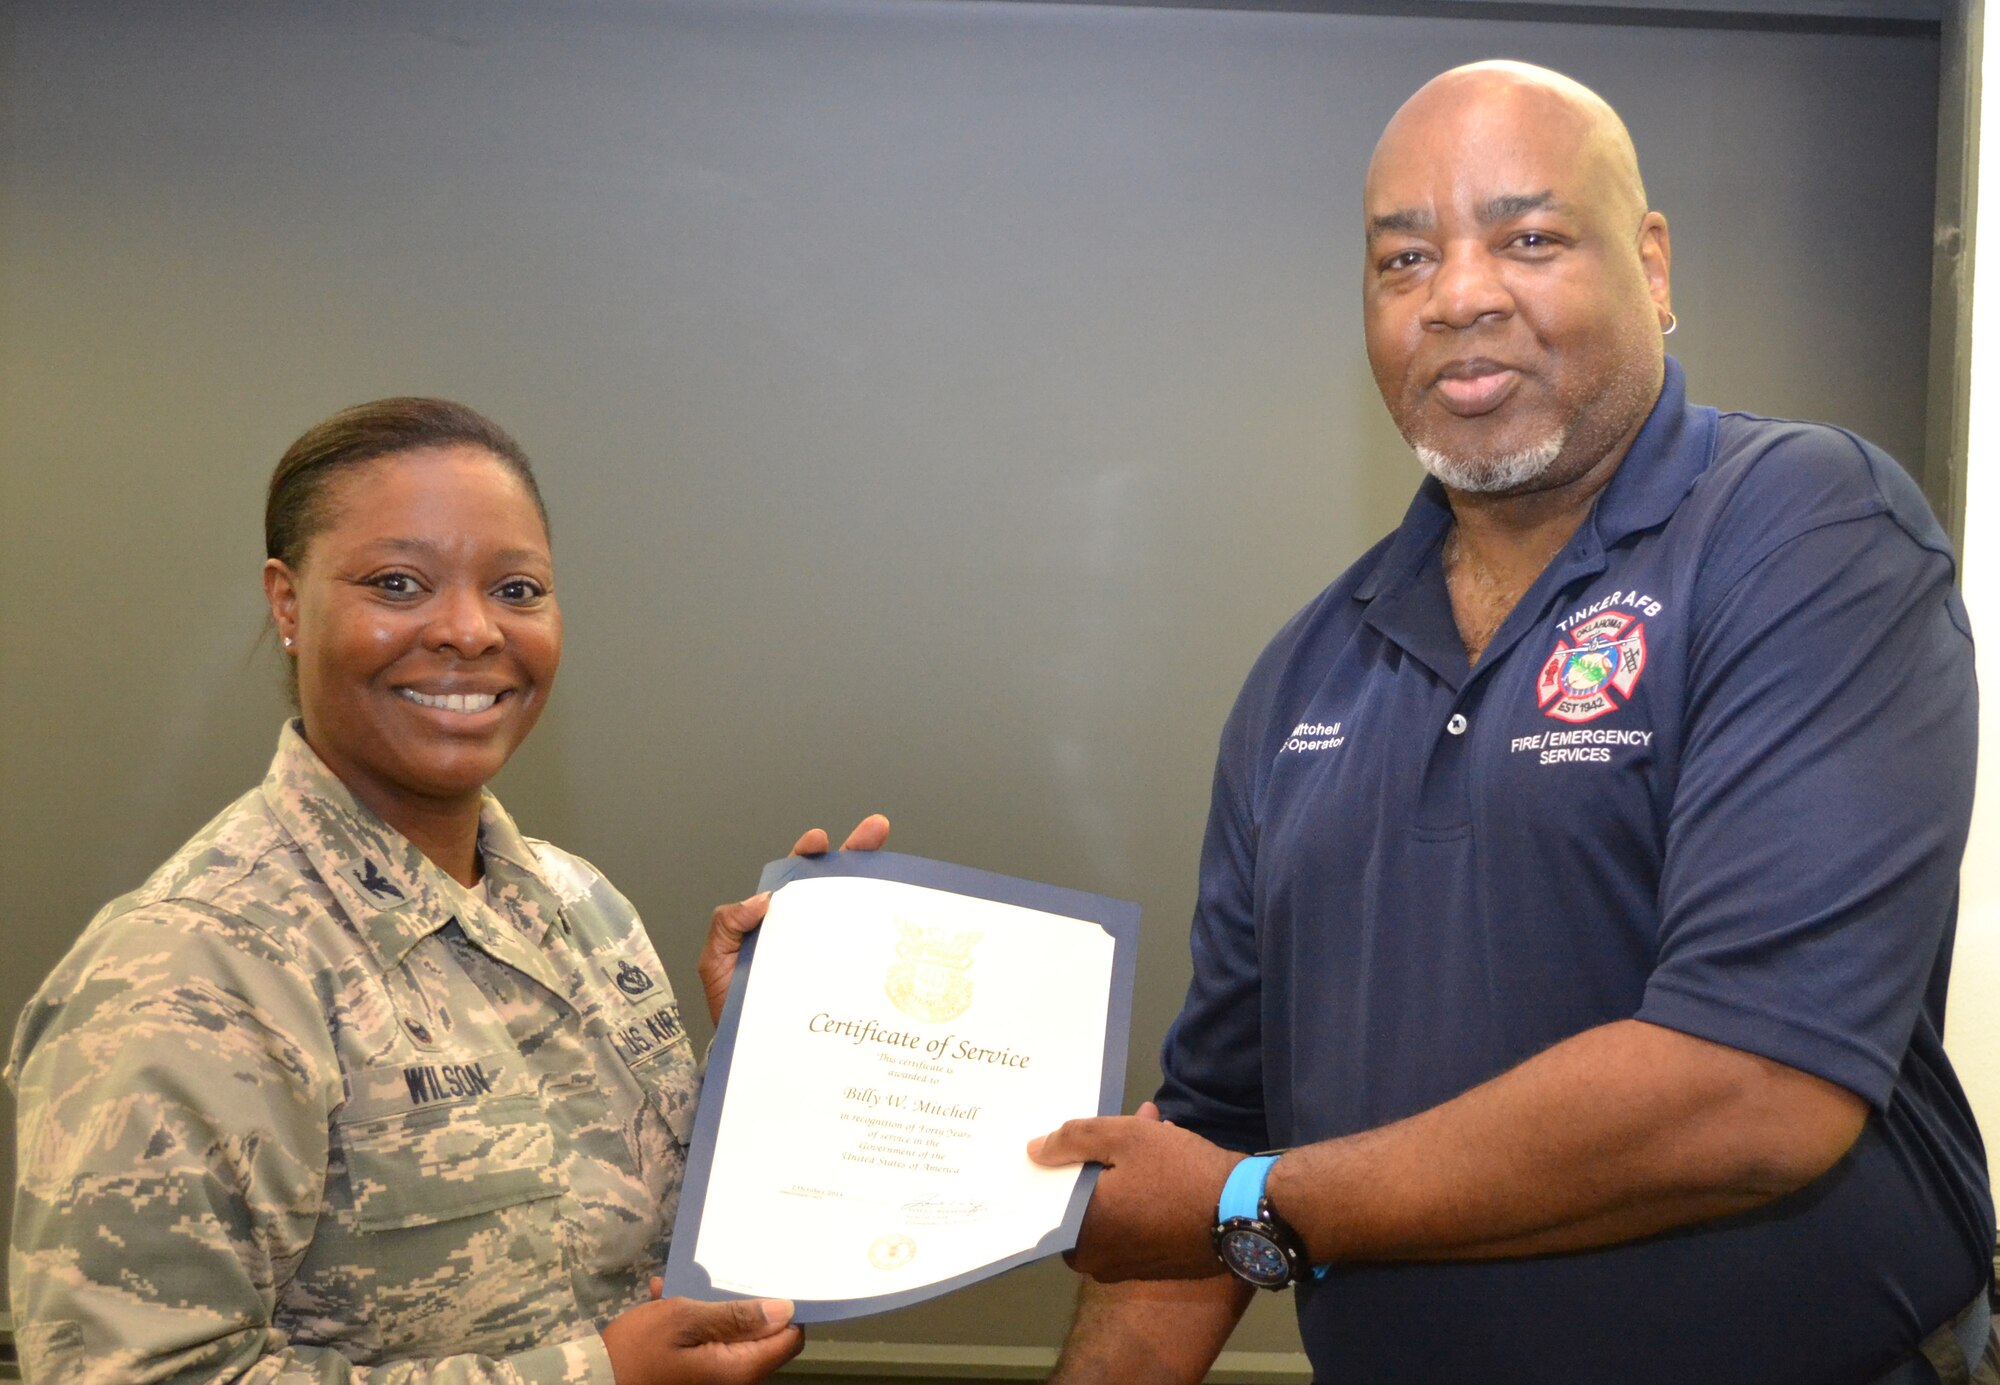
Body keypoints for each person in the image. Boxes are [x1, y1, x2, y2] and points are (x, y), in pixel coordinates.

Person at [1029, 61, 1994, 1385]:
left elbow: (1754, 1091)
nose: (1461, 294)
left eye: (1530, 238)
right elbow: (1210, 1156)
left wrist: (1250, 1206)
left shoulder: (1802, 527)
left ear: (1653, 264)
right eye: (1402, 260)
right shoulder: (1301, 682)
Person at [7, 398, 887, 1383]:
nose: (469, 630)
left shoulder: (583, 908)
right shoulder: (190, 970)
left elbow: (650, 1259)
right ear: (288, 604)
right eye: (397, 583)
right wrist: (600, 1379)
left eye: (516, 588)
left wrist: (779, 1066)